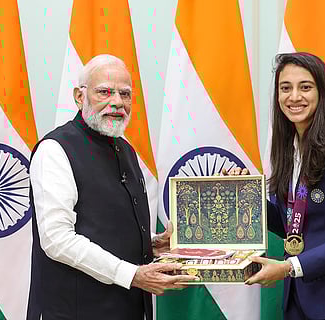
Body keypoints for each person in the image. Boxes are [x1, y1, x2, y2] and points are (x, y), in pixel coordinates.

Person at [26, 54, 197, 320]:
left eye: (125, 94)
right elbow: (57, 240)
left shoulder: (125, 150)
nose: (117, 102)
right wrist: (133, 275)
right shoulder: (55, 150)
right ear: (79, 97)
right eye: (104, 92)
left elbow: (101, 225)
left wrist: (148, 244)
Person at [227, 52, 325, 319]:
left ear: (323, 93)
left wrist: (289, 267)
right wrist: (246, 195)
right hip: (298, 301)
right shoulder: (289, 150)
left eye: (305, 87)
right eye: (285, 88)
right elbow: (292, 224)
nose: (294, 97)